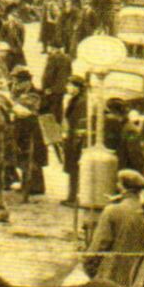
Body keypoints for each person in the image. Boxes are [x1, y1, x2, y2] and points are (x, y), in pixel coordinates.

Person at [84, 169, 144, 287]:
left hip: (116, 273)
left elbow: (99, 244)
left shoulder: (113, 210)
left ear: (121, 186)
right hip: (142, 274)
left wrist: (89, 266)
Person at [10, 66, 47, 195]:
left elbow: (25, 109)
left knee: (33, 158)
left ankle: (36, 187)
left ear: (25, 81)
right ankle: (26, 184)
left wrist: (11, 101)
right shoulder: (17, 90)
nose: (15, 83)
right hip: (21, 128)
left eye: (17, 80)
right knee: (22, 157)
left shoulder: (33, 93)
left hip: (31, 128)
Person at [61, 75, 87, 206]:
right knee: (72, 169)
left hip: (76, 140)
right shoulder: (75, 100)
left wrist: (76, 141)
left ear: (77, 87)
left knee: (75, 169)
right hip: (71, 138)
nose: (68, 87)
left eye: (70, 85)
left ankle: (74, 197)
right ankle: (71, 196)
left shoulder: (82, 102)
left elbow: (81, 123)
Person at [41, 42, 72, 123]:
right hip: (62, 88)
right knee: (59, 108)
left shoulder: (52, 58)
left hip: (52, 89)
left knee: (51, 110)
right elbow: (70, 73)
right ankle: (59, 124)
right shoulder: (67, 58)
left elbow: (48, 75)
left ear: (53, 48)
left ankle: (52, 127)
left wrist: (45, 87)